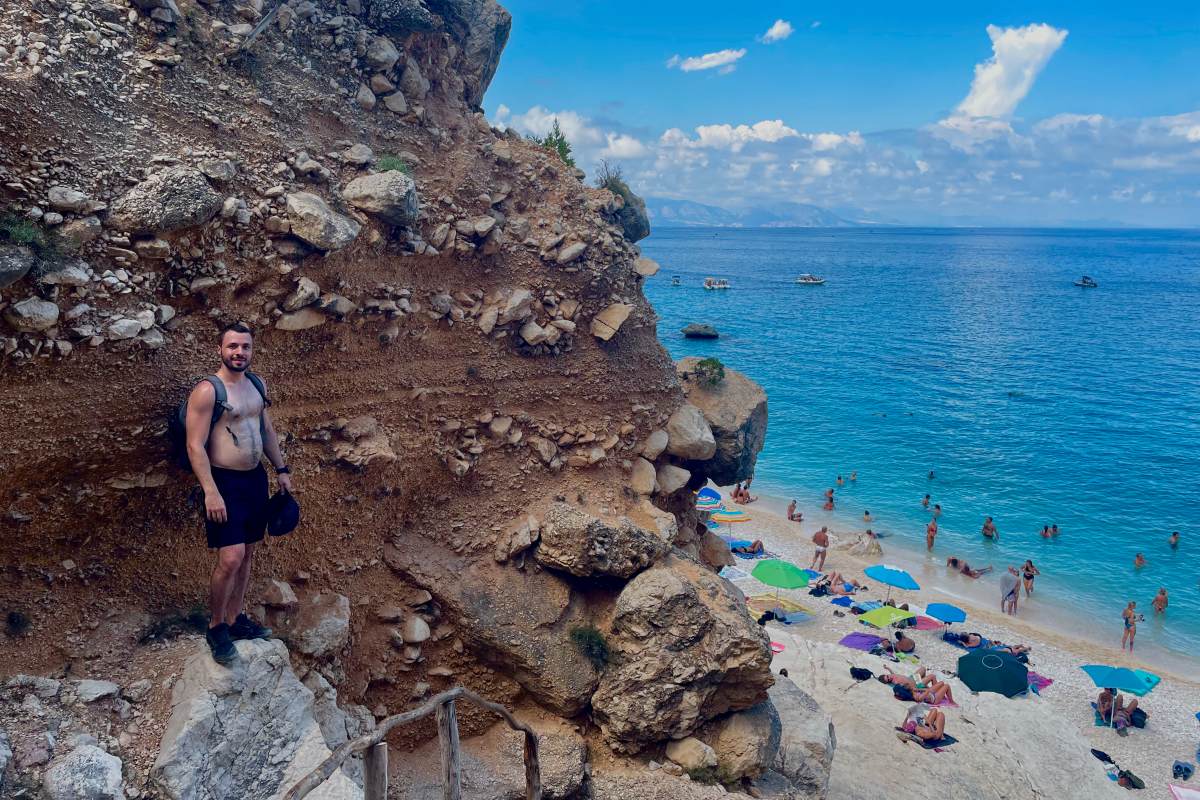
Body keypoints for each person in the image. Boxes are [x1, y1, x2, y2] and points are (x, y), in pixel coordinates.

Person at [186, 323, 292, 666]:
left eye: (244, 347)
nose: (239, 353)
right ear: (220, 349)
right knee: (230, 557)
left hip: (254, 481)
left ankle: (235, 618)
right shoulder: (207, 391)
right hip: (224, 482)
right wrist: (210, 491)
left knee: (246, 554)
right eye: (232, 346)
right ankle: (216, 626)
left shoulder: (256, 384)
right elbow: (194, 444)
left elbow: (267, 429)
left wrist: (282, 470)